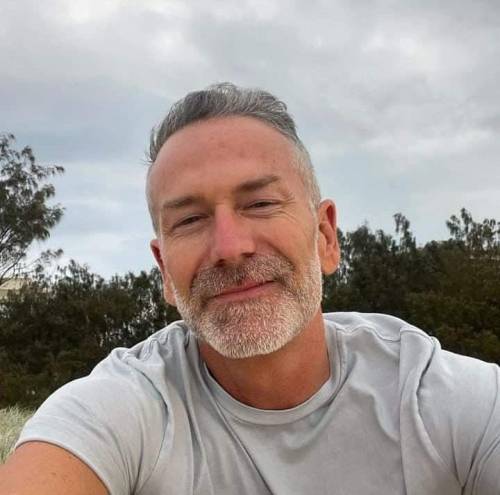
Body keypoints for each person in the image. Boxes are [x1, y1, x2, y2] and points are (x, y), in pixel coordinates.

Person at [1, 83, 499, 495]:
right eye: (190, 219)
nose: (230, 247)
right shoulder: (121, 408)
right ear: (165, 271)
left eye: (260, 204)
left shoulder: (436, 397)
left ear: (325, 236)